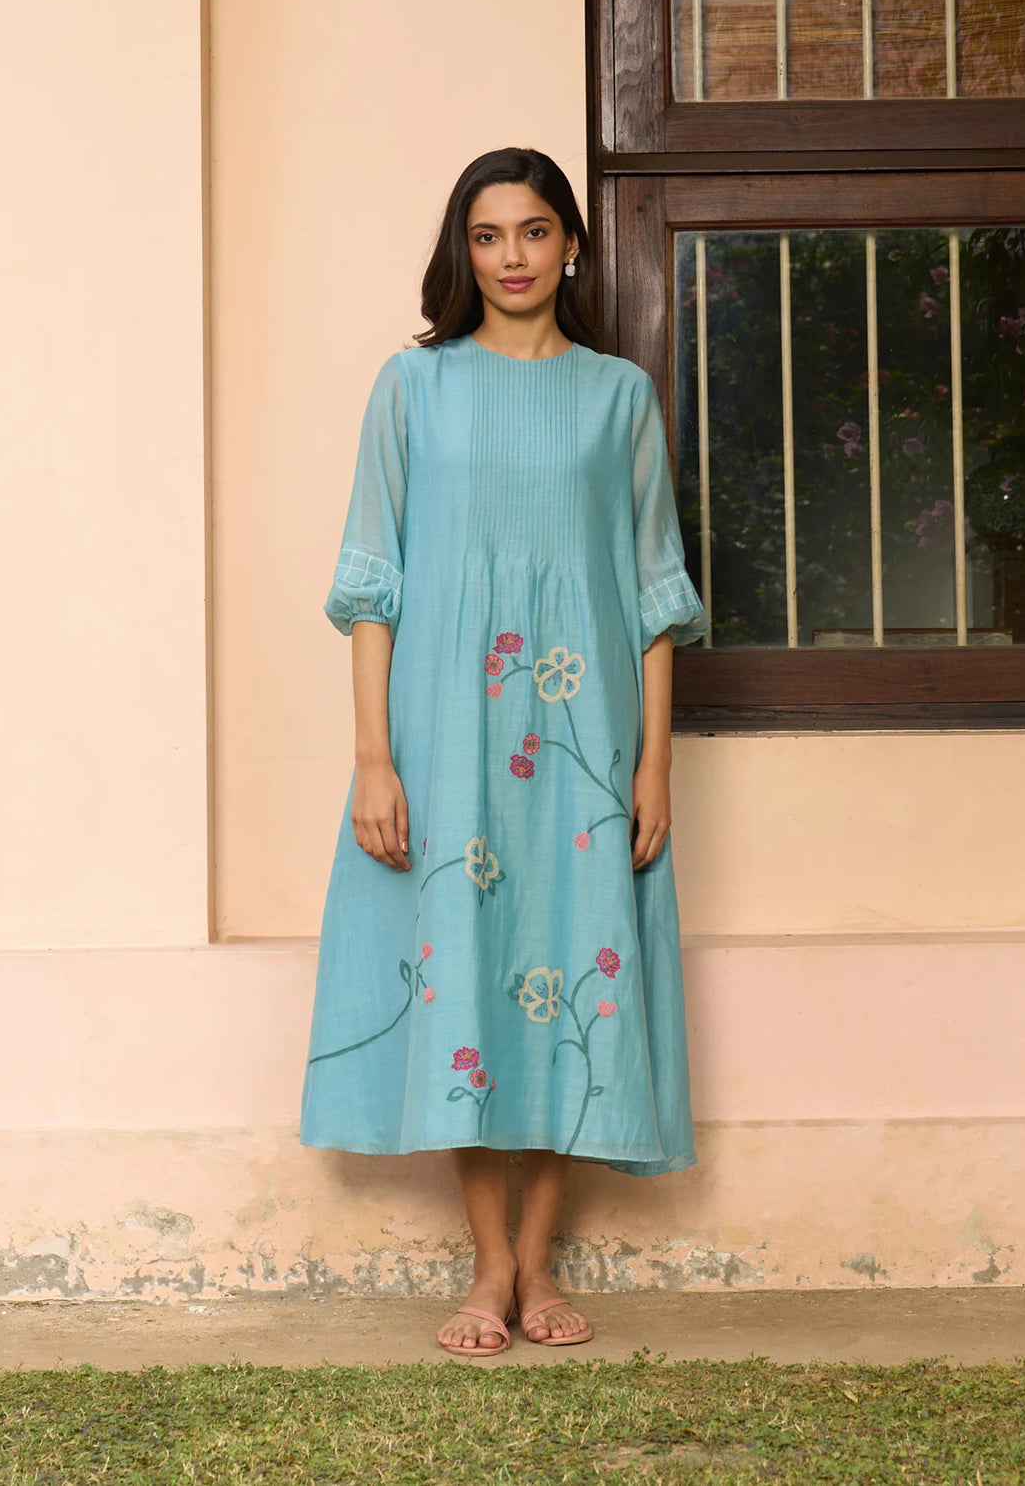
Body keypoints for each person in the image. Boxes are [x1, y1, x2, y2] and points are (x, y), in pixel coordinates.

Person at [299, 146, 710, 1357]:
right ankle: (488, 1266)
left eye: (534, 231)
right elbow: (371, 585)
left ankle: (539, 1263)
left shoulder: (618, 398)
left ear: (572, 244)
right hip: (447, 731)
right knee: (469, 972)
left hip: (584, 737)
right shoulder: (413, 388)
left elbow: (654, 594)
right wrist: (375, 759)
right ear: (462, 251)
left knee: (571, 963)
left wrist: (654, 764)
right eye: (488, 235)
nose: (512, 257)